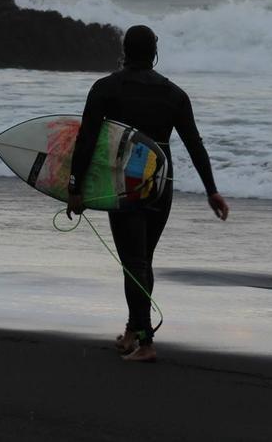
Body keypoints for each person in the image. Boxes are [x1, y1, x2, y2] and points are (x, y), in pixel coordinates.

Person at [66, 24, 229, 363]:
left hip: (125, 182)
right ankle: (132, 330)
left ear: (124, 50)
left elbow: (87, 140)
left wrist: (75, 186)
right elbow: (194, 144)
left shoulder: (106, 88)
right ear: (155, 52)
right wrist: (211, 190)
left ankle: (146, 341)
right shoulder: (174, 95)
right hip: (160, 184)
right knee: (141, 260)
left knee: (134, 262)